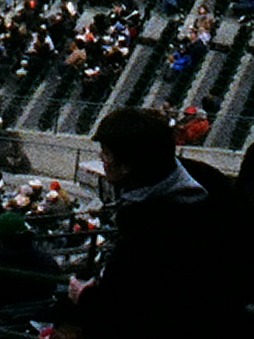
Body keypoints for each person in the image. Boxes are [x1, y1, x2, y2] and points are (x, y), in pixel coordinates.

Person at [66, 107, 241, 335]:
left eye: (106, 154)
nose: (102, 159)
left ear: (128, 165)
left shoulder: (153, 228)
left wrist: (85, 297)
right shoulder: (207, 181)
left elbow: (136, 309)